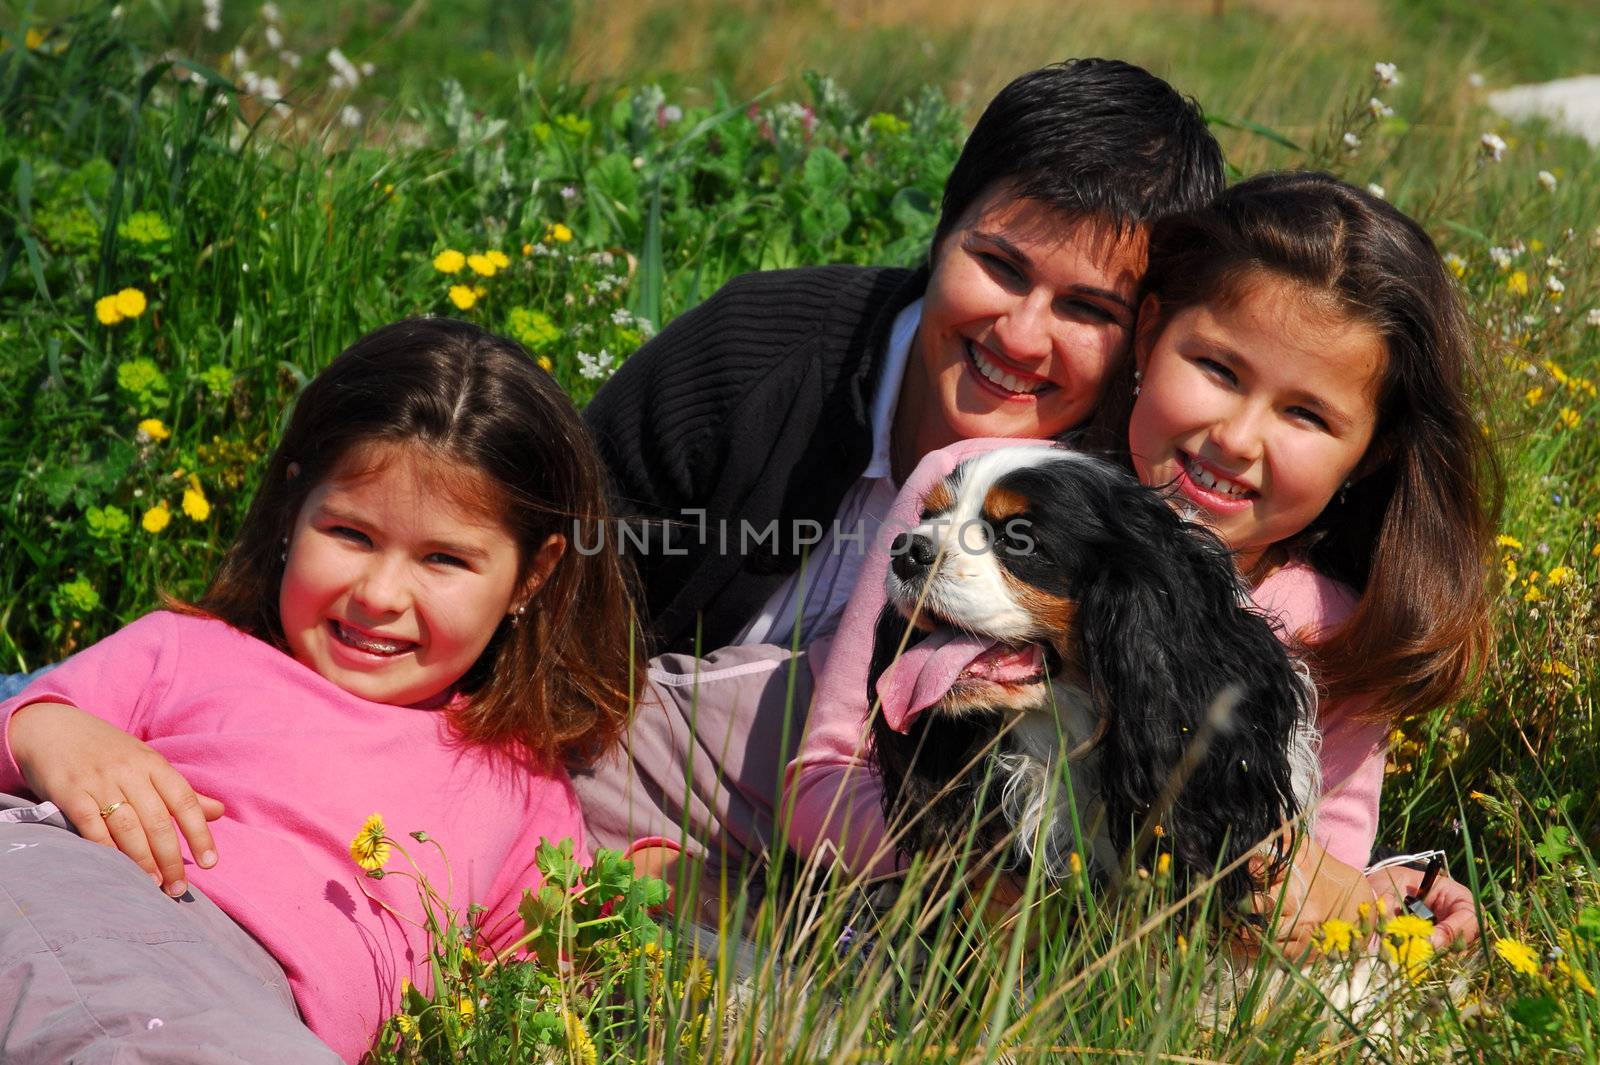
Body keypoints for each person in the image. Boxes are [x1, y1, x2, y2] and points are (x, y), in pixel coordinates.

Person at [788, 171, 1498, 951]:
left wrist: (1373, 899)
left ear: (1369, 455)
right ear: (1151, 335)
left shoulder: (1340, 629)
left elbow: (1316, 871)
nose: (1237, 436)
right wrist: (994, 886)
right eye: (1219, 370)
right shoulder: (972, 486)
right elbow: (822, 781)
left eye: (1306, 414)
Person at [575, 57, 1226, 888]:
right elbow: (541, 594)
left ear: (1145, 332)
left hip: (910, 890)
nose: (1023, 337)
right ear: (942, 227)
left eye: (1088, 308)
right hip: (616, 819)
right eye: (1001, 264)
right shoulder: (753, 355)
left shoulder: (1125, 488)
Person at [0, 319, 641, 1063]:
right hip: (80, 888)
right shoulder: (187, 649)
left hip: (261, 1021)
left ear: (531, 576)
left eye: (444, 558)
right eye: (350, 534)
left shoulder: (521, 779)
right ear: (294, 509)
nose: (379, 592)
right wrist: (44, 728)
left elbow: (552, 980)